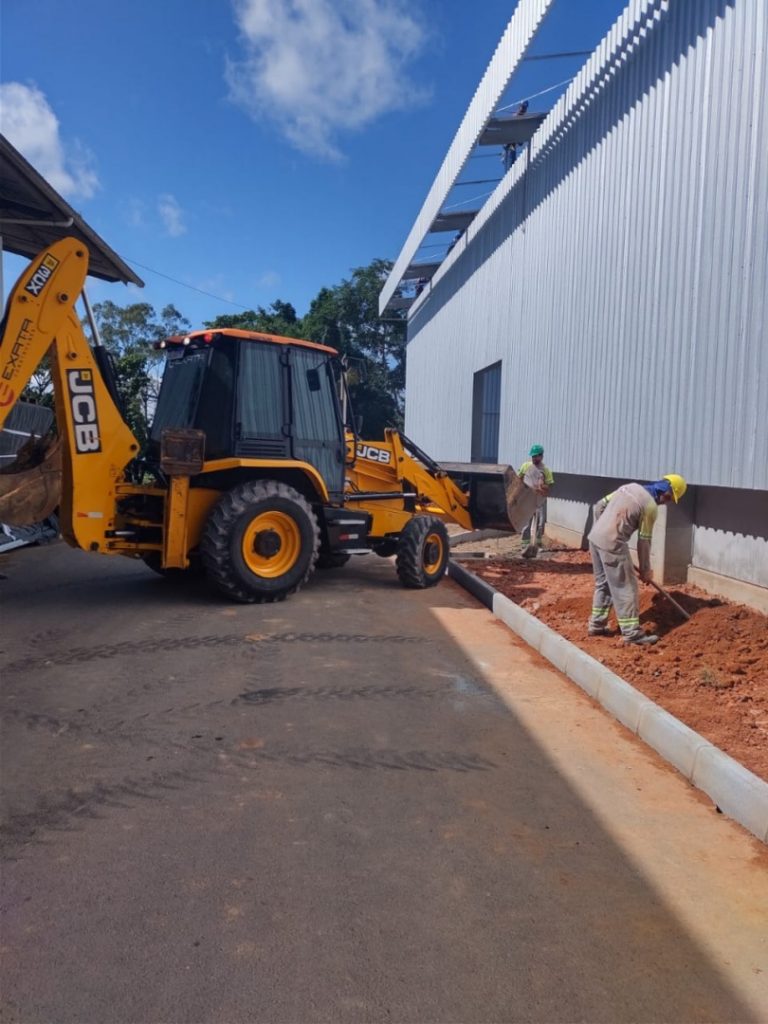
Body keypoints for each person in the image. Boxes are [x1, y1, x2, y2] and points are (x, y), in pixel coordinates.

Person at [587, 474, 687, 645]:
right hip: (613, 544)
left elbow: (599, 506)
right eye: (670, 499)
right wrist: (646, 570)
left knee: (603, 584)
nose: (667, 503)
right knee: (626, 588)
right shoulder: (649, 507)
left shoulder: (628, 487)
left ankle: (596, 624)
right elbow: (644, 541)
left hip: (595, 539)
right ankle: (632, 634)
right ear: (667, 493)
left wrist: (602, 528)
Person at [518, 444, 554, 556]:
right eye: (532, 456)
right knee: (526, 522)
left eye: (536, 456)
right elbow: (519, 479)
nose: (533, 458)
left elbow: (549, 487)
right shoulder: (525, 466)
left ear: (541, 456)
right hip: (528, 499)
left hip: (540, 500)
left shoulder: (546, 470)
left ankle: (537, 544)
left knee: (540, 522)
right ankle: (525, 544)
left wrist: (542, 486)